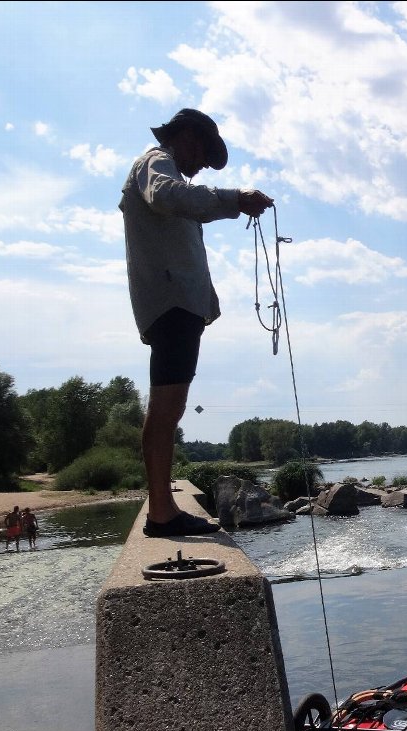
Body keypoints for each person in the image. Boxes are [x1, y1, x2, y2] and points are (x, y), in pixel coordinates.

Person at [120, 107, 274, 538]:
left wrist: (207, 300)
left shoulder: (168, 170)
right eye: (204, 155)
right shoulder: (156, 163)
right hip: (170, 307)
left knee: (170, 406)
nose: (202, 166)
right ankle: (162, 513)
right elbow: (166, 196)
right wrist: (232, 199)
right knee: (166, 407)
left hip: (178, 306)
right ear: (187, 137)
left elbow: (181, 247)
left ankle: (162, 508)